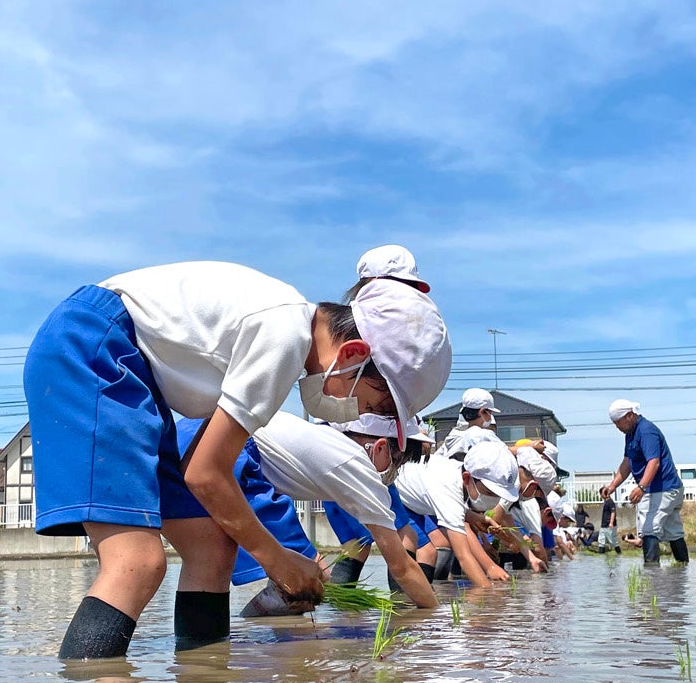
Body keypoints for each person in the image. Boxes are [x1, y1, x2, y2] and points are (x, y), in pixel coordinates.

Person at [24, 260, 450, 659]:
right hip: (95, 345)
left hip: (135, 375)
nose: (357, 414)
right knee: (137, 562)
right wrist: (277, 559)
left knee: (212, 547)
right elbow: (205, 474)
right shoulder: (285, 336)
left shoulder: (287, 328)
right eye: (370, 402)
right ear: (354, 354)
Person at [174, 412, 438, 613]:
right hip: (234, 453)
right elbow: (402, 566)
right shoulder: (356, 467)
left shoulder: (328, 438)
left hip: (191, 435)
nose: (396, 472)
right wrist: (437, 619)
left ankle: (200, 668)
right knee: (309, 578)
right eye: (398, 462)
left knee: (208, 562)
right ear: (379, 447)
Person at [393, 440, 517, 588]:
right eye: (489, 492)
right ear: (467, 478)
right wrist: (488, 590)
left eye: (498, 495)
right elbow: (463, 556)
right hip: (396, 496)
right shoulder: (447, 486)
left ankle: (420, 602)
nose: (493, 500)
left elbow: (456, 510)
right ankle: (403, 603)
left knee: (429, 553)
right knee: (424, 552)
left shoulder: (457, 479)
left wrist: (478, 518)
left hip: (417, 503)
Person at [601, 398, 689, 565]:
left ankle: (650, 576)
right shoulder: (631, 434)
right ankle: (683, 571)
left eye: (618, 423)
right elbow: (627, 463)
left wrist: (641, 487)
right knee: (673, 531)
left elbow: (653, 462)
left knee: (649, 529)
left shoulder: (646, 431)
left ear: (629, 416)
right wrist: (612, 486)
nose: (617, 427)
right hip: (660, 489)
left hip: (663, 488)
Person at [439, 388, 501, 459]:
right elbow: (505, 452)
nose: (490, 417)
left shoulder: (454, 435)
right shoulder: (481, 435)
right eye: (490, 413)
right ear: (482, 412)